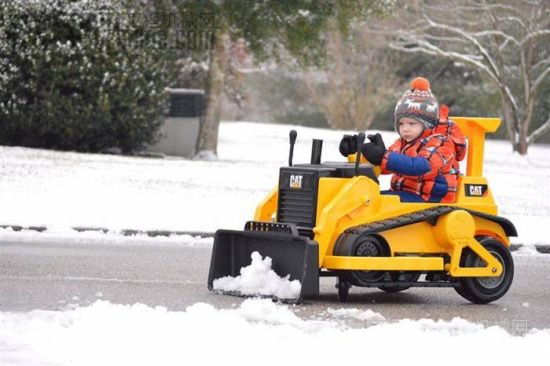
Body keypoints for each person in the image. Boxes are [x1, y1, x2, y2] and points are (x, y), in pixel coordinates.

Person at [339, 77, 464, 203]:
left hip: (429, 198)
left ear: (426, 124)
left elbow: (421, 167)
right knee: (366, 199)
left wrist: (383, 156)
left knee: (375, 203)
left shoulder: (441, 142)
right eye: (401, 124)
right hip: (406, 193)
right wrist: (359, 153)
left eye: (411, 124)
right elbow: (385, 166)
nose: (405, 129)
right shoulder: (403, 143)